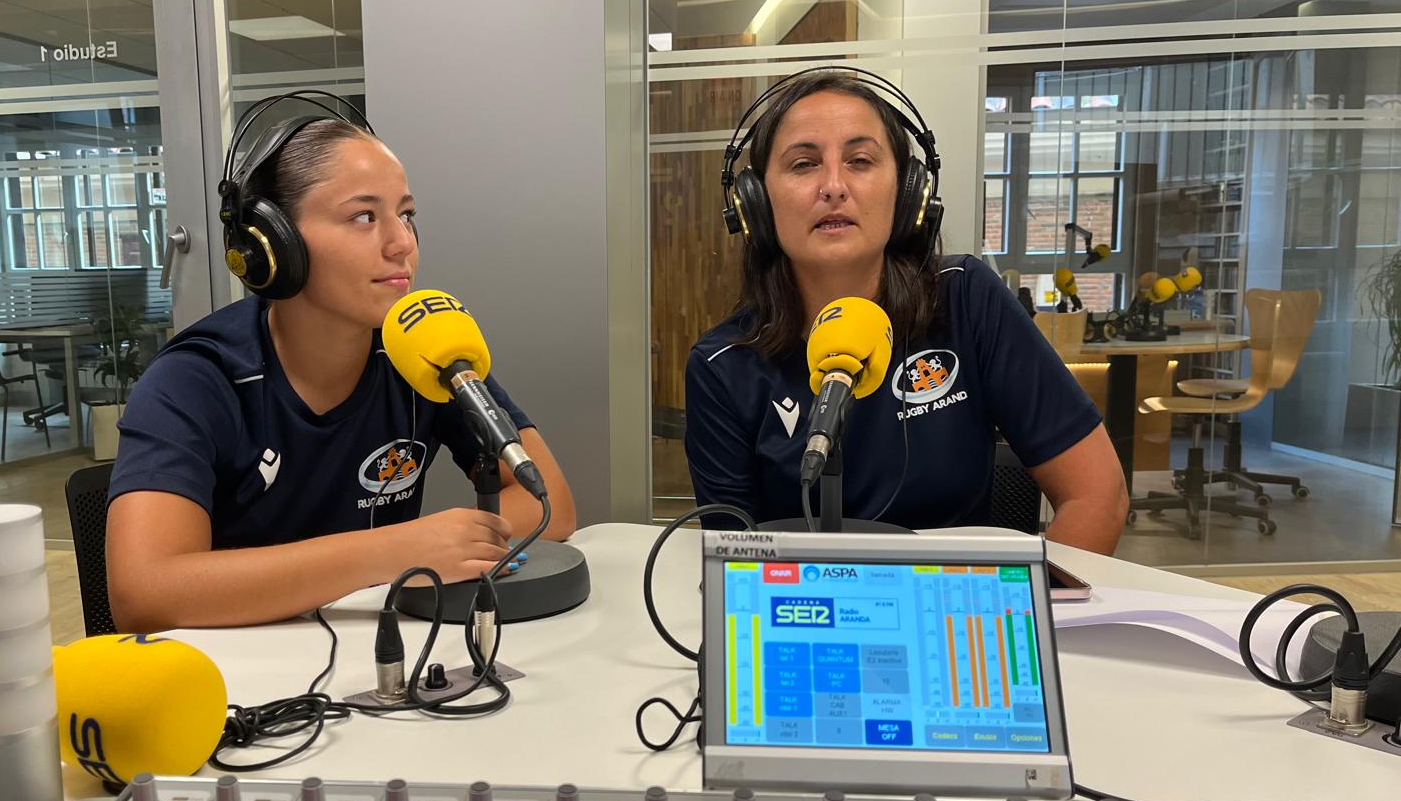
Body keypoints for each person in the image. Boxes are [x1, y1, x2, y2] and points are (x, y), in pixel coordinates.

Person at [106, 97, 576, 635]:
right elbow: (144, 593)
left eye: (406, 214)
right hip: (240, 669)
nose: (402, 244)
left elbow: (551, 505)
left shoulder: (423, 348)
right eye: (363, 216)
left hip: (376, 653)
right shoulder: (194, 380)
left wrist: (444, 545)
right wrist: (393, 552)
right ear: (273, 243)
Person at [684, 69, 1127, 552]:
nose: (833, 186)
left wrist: (1028, 602)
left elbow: (1096, 495)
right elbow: (736, 559)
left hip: (954, 598)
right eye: (804, 164)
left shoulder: (965, 299)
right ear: (755, 204)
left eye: (860, 160)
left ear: (909, 190)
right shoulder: (722, 365)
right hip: (803, 598)